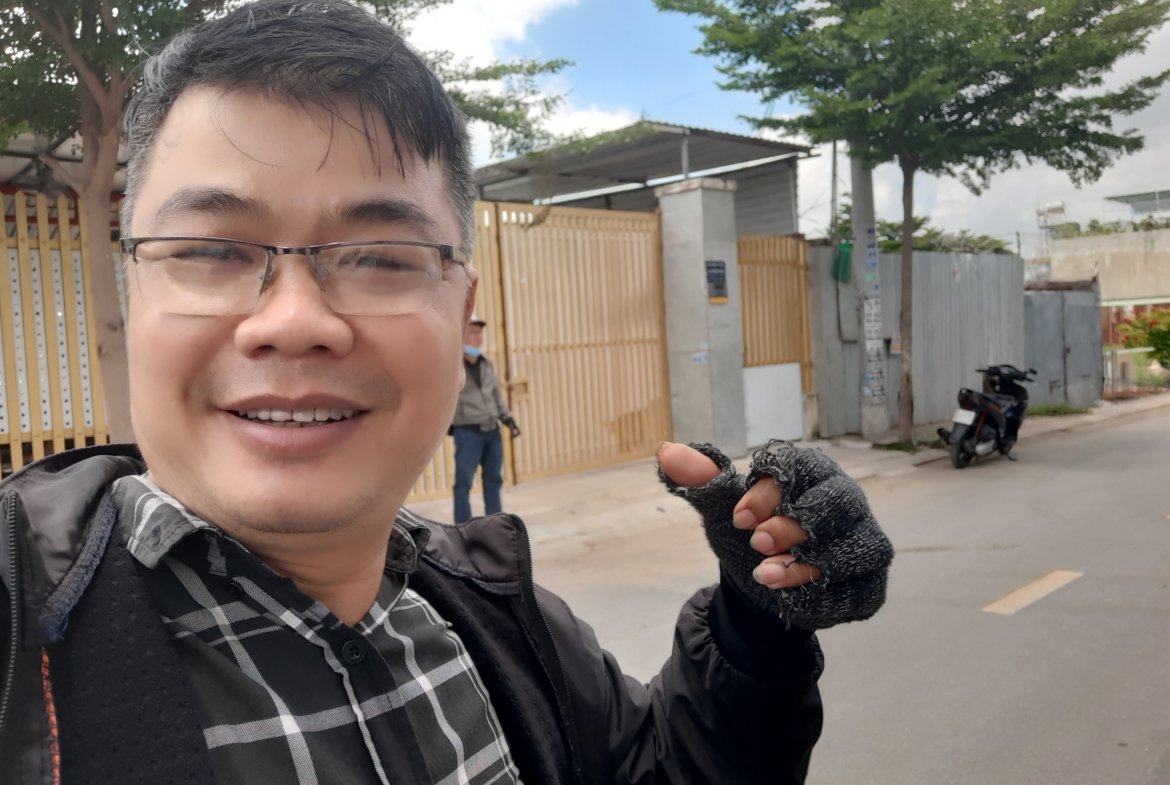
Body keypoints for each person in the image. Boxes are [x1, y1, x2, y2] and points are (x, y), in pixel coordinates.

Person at [0, 2, 893, 783]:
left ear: (460, 310)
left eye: (380, 258)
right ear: (135, 293)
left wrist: (753, 629)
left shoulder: (503, 618)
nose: (295, 321)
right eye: (211, 250)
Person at [451, 318, 518, 522]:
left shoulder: (486, 363)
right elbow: (442, 398)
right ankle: (462, 528)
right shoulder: (453, 367)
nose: (478, 337)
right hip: (468, 432)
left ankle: (495, 524)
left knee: (494, 480)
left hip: (493, 432)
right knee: (463, 484)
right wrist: (448, 425)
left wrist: (509, 420)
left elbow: (496, 395)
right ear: (462, 336)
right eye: (473, 333)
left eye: (480, 333)